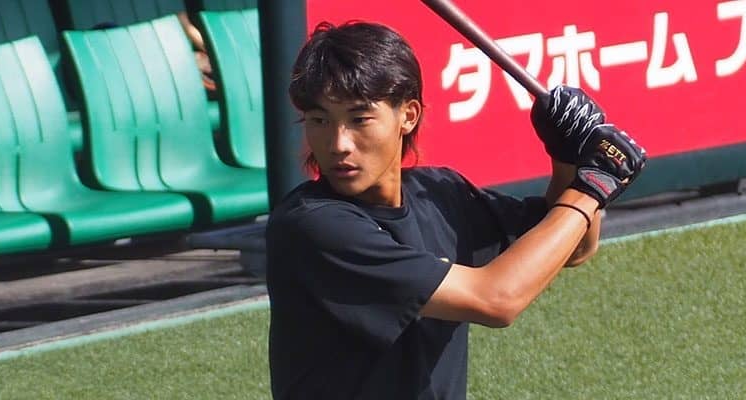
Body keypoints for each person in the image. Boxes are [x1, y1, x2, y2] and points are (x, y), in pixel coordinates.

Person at [265, 21, 646, 399]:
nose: (338, 144)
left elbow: (573, 246)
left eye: (359, 119)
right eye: (319, 120)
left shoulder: (440, 193)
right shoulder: (313, 226)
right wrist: (592, 187)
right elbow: (497, 300)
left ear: (408, 115)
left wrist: (567, 159)